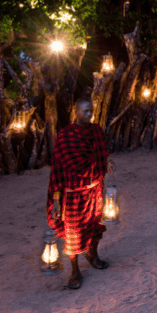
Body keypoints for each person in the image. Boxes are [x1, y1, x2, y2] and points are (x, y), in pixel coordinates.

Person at [47, 99, 114, 289]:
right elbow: (58, 169)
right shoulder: (66, 136)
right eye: (85, 111)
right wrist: (57, 200)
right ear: (76, 112)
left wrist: (106, 163)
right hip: (73, 195)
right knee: (73, 234)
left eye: (91, 111)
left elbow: (102, 154)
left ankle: (93, 255)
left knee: (95, 226)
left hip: (95, 191)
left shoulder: (97, 132)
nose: (89, 114)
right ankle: (75, 270)